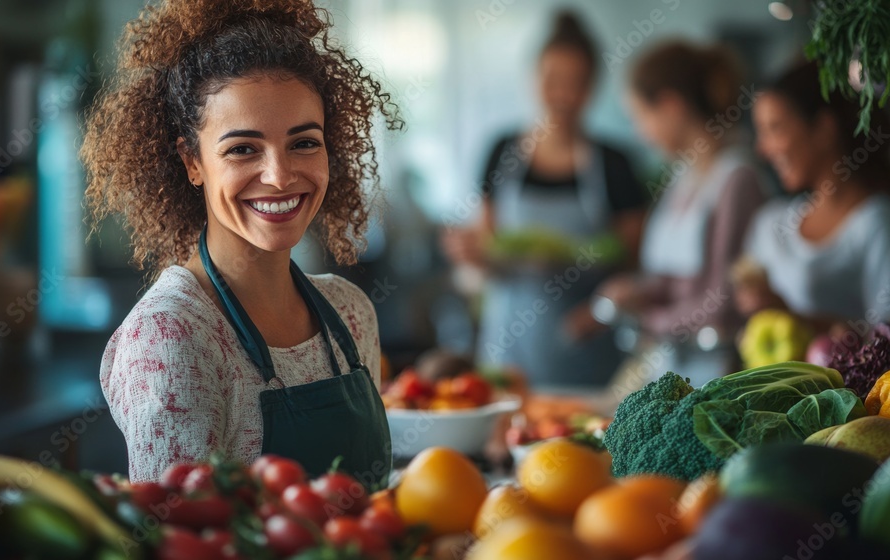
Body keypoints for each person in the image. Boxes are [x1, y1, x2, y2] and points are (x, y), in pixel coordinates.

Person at [82, 0, 401, 485]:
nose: (278, 175)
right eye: (243, 149)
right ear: (192, 162)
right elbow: (177, 541)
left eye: (304, 142)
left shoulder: (351, 312)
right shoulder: (171, 337)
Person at [442, 11, 647, 388]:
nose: (563, 95)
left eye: (576, 83)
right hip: (508, 349)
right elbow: (483, 258)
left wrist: (602, 307)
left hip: (587, 347)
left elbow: (634, 263)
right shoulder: (501, 151)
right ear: (532, 78)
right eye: (552, 80)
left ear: (593, 87)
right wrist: (472, 256)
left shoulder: (614, 164)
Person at [580, 41, 769, 387]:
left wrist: (649, 321)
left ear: (670, 105)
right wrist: (635, 292)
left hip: (716, 372)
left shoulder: (736, 179)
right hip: (668, 365)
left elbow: (723, 297)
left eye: (641, 116)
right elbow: (673, 280)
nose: (640, 131)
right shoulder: (682, 178)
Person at [741, 61, 890, 333]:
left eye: (775, 128)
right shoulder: (775, 219)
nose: (762, 149)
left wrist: (794, 319)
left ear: (824, 129)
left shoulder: (882, 224)